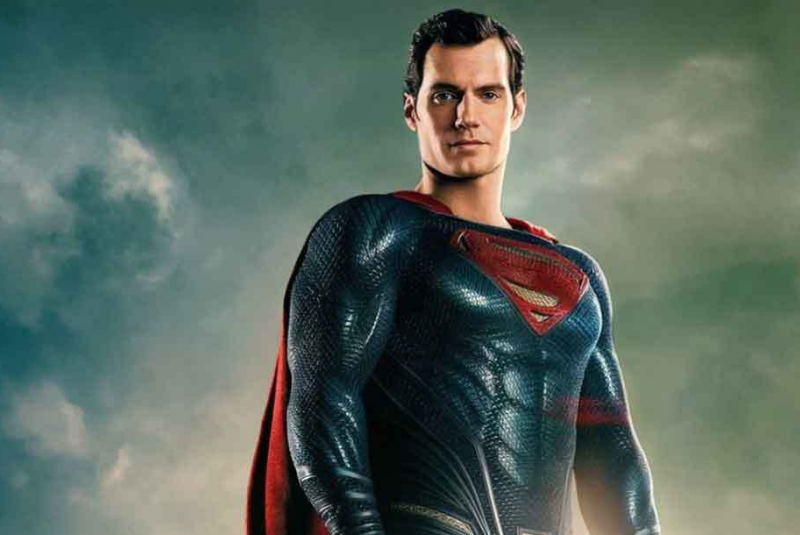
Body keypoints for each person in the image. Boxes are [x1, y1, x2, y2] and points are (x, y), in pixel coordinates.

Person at [247, 9, 661, 535]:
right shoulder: (377, 230)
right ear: (412, 110)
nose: (466, 115)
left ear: (517, 108)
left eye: (488, 94)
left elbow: (614, 455)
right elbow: (323, 409)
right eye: (445, 95)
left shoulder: (577, 276)